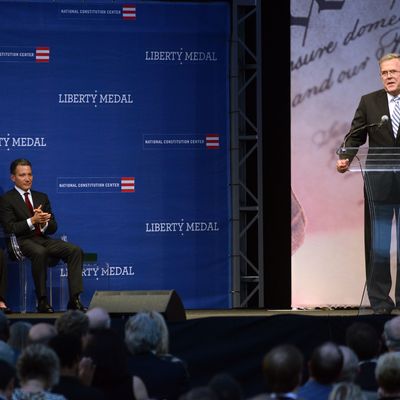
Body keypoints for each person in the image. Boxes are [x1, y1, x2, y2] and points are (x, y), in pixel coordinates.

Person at [336, 52, 400, 314]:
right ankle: (380, 302)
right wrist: (345, 156)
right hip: (379, 183)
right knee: (379, 245)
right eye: (384, 73)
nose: (389, 77)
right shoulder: (369, 102)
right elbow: (355, 135)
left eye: (393, 72)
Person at [0, 158, 86, 313]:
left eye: (30, 174)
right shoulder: (6, 199)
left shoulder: (42, 197)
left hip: (42, 239)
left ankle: (74, 299)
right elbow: (10, 228)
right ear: (13, 177)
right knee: (40, 252)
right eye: (22, 175)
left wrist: (44, 222)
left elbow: (53, 226)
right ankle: (42, 300)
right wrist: (32, 221)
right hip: (20, 241)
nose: (27, 178)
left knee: (75, 250)